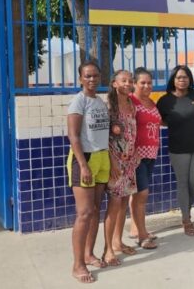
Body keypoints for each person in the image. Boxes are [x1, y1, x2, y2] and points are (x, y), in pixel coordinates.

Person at [66, 61, 110, 283]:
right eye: (87, 76)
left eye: (95, 76)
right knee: (84, 213)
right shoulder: (78, 101)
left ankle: (89, 253)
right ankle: (78, 265)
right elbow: (73, 136)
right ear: (81, 79)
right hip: (86, 159)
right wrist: (83, 165)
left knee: (94, 210)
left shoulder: (99, 101)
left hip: (102, 157)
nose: (92, 79)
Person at [156, 65, 194, 236]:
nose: (182, 80)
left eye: (185, 77)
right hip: (178, 148)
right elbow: (160, 120)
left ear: (190, 79)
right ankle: (186, 219)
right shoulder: (165, 101)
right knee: (182, 183)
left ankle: (185, 208)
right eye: (179, 77)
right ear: (173, 79)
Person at [102, 70, 139, 267]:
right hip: (115, 162)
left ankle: (117, 241)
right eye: (123, 80)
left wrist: (136, 154)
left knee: (124, 201)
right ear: (114, 83)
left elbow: (133, 133)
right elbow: (104, 136)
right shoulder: (108, 106)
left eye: (130, 80)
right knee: (114, 204)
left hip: (130, 161)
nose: (127, 83)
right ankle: (107, 249)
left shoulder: (131, 103)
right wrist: (112, 162)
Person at [127, 67, 160, 249]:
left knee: (138, 194)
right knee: (142, 194)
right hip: (137, 155)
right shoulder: (131, 102)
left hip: (151, 154)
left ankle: (136, 229)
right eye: (142, 83)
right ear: (134, 84)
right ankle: (142, 236)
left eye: (149, 82)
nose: (147, 86)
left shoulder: (151, 103)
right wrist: (132, 151)